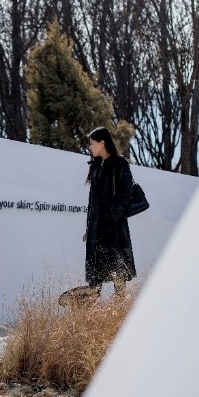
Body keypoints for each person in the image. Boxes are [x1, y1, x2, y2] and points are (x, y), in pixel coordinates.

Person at [85, 126, 136, 295]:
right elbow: (92, 202)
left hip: (114, 228)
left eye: (92, 144)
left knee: (118, 276)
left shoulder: (119, 164)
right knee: (94, 279)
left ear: (102, 143)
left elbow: (127, 192)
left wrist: (110, 215)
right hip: (97, 229)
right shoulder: (94, 167)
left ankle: (120, 315)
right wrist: (89, 227)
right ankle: (94, 317)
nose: (90, 147)